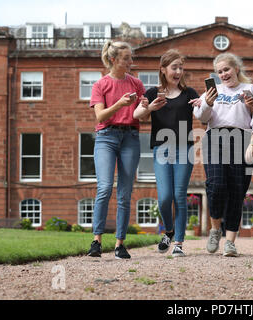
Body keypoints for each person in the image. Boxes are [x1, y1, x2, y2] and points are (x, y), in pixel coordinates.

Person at [194, 52, 253, 257]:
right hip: (215, 138)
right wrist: (207, 103)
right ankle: (215, 229)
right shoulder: (212, 90)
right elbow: (201, 117)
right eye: (219, 72)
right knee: (216, 186)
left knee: (237, 191)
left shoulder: (251, 89)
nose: (224, 74)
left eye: (226, 69)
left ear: (236, 68)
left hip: (242, 138)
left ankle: (230, 242)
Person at [133, 49, 199, 257]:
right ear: (163, 69)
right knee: (164, 198)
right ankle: (168, 231)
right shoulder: (153, 93)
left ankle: (178, 242)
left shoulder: (190, 93)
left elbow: (203, 116)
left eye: (181, 67)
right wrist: (149, 108)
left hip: (184, 149)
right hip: (162, 149)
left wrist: (204, 105)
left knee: (179, 196)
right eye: (174, 67)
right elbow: (137, 115)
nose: (178, 71)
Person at [87, 40, 147, 259]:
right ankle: (96, 241)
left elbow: (143, 115)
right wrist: (120, 104)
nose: (131, 61)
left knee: (125, 192)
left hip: (130, 137)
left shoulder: (137, 84)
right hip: (106, 137)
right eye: (126, 58)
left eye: (131, 57)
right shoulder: (100, 85)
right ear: (113, 60)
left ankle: (120, 244)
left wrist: (149, 107)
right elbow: (100, 116)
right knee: (104, 188)